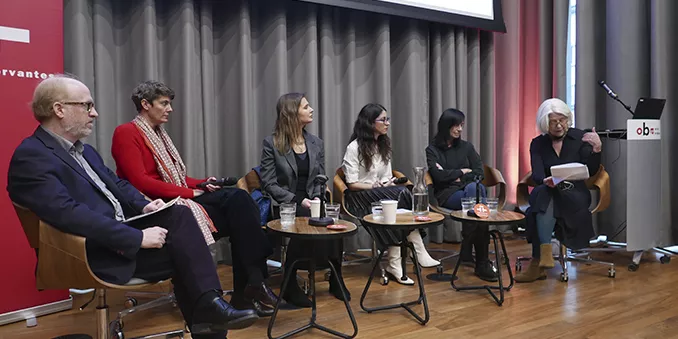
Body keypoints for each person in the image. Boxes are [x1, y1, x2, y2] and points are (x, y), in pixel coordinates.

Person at [7, 75, 258, 338]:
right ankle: (210, 312)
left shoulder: (85, 152)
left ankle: (210, 309)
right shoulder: (32, 156)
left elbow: (119, 186)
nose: (95, 113)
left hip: (117, 236)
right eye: (87, 106)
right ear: (59, 109)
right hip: (90, 251)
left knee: (180, 217)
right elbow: (69, 214)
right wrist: (136, 237)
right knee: (186, 245)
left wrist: (145, 207)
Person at [111, 81, 278, 317]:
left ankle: (251, 285)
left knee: (239, 202)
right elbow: (140, 181)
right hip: (154, 206)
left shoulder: (160, 135)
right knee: (237, 207)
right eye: (164, 103)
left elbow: (177, 178)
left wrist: (200, 183)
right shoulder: (126, 132)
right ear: (145, 104)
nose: (170, 109)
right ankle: (252, 285)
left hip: (176, 197)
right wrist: (190, 193)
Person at [259, 93, 350, 307]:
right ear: (292, 112)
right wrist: (300, 200)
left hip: (313, 202)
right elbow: (269, 184)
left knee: (333, 221)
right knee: (308, 218)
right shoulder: (272, 143)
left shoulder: (316, 143)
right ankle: (289, 283)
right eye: (306, 106)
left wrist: (318, 197)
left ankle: (336, 278)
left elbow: (320, 177)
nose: (311, 110)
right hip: (286, 205)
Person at [341, 103, 439, 285]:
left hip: (381, 194)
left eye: (388, 119)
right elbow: (352, 184)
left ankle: (395, 262)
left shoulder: (383, 145)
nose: (387, 123)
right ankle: (417, 247)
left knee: (398, 197)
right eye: (383, 120)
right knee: (401, 194)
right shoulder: (354, 148)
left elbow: (386, 177)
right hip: (359, 197)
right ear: (370, 123)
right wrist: (373, 187)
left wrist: (387, 183)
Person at [515, 98, 602, 283]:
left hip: (574, 193)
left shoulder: (580, 137)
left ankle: (538, 261)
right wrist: (547, 180)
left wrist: (597, 149)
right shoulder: (538, 143)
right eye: (553, 121)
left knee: (539, 204)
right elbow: (537, 175)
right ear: (544, 123)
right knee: (543, 193)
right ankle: (543, 256)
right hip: (549, 189)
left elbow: (591, 170)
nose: (559, 125)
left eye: (562, 120)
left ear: (567, 119)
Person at [425, 108, 497, 282]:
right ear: (446, 126)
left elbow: (479, 172)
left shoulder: (467, 147)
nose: (460, 129)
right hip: (448, 194)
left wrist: (457, 176)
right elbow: (438, 177)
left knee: (475, 190)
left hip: (468, 189)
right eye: (456, 125)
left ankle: (473, 251)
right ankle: (481, 260)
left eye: (462, 125)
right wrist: (462, 171)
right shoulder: (433, 150)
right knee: (477, 198)